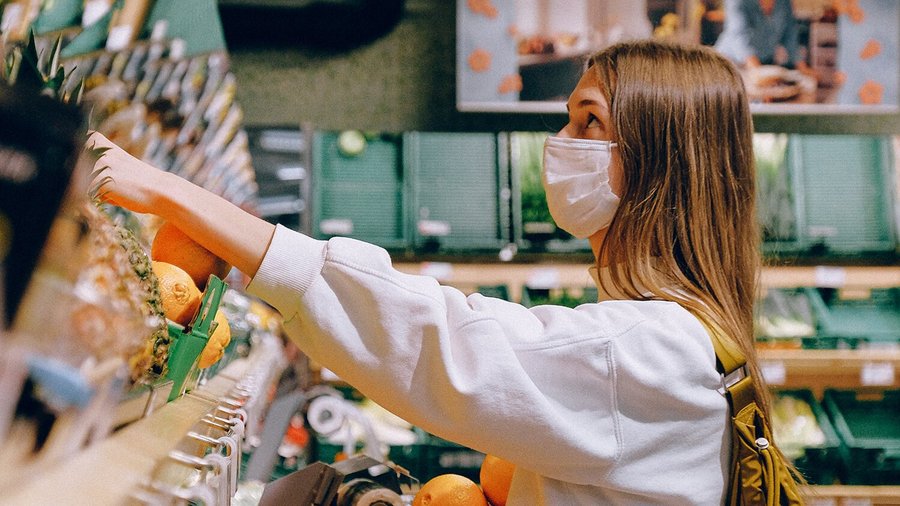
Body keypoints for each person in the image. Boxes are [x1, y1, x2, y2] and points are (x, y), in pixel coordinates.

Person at [90, 40, 801, 504]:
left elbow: (445, 341)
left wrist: (172, 193)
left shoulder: (649, 350)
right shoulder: (690, 334)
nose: (561, 144)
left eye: (589, 122)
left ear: (659, 156)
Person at [714, 0, 812, 73]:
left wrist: (803, 68)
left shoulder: (784, 2)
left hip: (763, 63)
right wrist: (758, 74)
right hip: (731, 64)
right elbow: (739, 35)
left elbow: (790, 34)